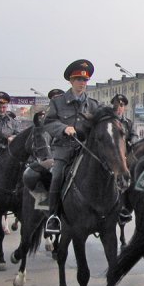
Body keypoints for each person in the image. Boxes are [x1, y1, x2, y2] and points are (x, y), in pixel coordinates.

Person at [43, 59, 102, 234]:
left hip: (85, 150)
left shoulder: (93, 104)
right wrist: (63, 128)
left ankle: (111, 212)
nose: (82, 83)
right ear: (71, 81)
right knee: (57, 176)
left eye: (84, 80)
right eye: (78, 79)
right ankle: (53, 216)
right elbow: (49, 122)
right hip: (64, 148)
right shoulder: (58, 102)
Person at [111, 93, 136, 225]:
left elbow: (134, 135)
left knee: (134, 173)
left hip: (126, 156)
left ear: (124, 107)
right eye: (116, 105)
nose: (119, 108)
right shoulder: (109, 122)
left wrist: (132, 141)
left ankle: (127, 206)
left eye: (121, 106)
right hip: (112, 156)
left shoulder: (128, 123)